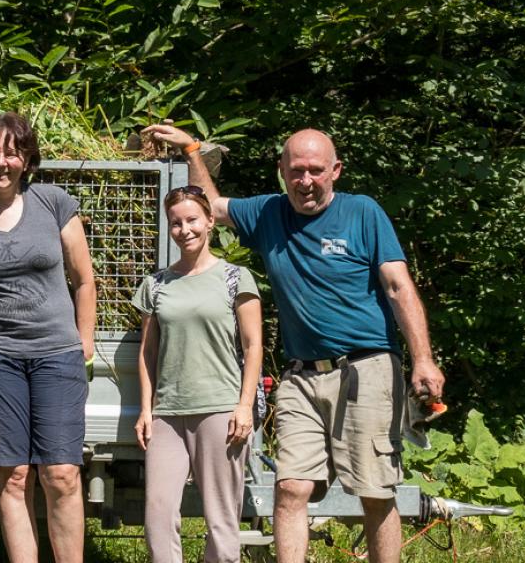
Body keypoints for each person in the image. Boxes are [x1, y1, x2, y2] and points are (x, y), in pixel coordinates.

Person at [142, 124, 447, 563]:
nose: (306, 181)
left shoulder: (363, 212)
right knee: (290, 488)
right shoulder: (269, 213)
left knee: (374, 492)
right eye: (296, 170)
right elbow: (212, 208)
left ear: (335, 171)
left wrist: (423, 359)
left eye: (316, 171)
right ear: (281, 171)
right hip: (300, 376)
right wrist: (192, 149)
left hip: (365, 369)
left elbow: (398, 287)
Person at [0, 113, 97, 563]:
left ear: (27, 158)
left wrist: (84, 341)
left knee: (62, 474)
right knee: (13, 477)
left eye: (12, 152)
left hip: (56, 354)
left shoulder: (53, 202)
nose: (1, 161)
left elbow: (84, 280)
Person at [133, 185, 263, 563]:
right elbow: (147, 352)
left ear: (209, 222)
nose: (184, 229)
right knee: (157, 515)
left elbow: (253, 346)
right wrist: (146, 409)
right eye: (176, 223)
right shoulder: (156, 284)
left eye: (192, 220)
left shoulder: (235, 278)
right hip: (168, 415)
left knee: (221, 520)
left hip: (221, 410)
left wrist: (244, 406)